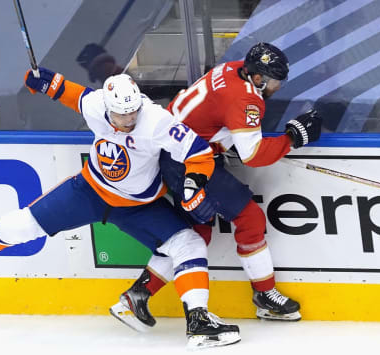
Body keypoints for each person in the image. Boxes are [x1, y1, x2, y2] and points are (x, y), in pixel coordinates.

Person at [0, 71, 240, 349]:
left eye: (133, 111)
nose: (129, 118)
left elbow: (198, 152)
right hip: (88, 192)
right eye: (122, 114)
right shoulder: (96, 104)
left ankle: (198, 321)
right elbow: (68, 92)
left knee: (189, 244)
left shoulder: (157, 121)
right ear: (108, 107)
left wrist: (192, 184)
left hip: (139, 206)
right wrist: (42, 81)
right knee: (28, 223)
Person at [110, 42, 323, 330]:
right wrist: (292, 139)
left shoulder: (232, 68)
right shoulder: (247, 99)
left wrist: (224, 141)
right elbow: (254, 155)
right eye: (273, 81)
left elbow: (211, 114)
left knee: (193, 234)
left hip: (176, 154)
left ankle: (135, 296)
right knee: (250, 218)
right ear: (257, 77)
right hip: (191, 163)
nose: (276, 87)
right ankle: (265, 295)